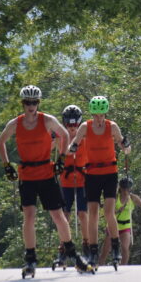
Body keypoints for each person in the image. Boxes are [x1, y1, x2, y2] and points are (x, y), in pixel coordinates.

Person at [0, 85, 87, 275]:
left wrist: (61, 158)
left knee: (58, 215)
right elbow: (0, 142)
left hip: (46, 173)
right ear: (23, 103)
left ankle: (72, 254)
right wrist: (6, 165)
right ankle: (30, 259)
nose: (31, 106)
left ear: (38, 103)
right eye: (28, 102)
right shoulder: (15, 123)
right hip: (27, 175)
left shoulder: (47, 120)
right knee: (29, 216)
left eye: (34, 102)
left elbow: (64, 135)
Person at [67, 95, 130, 268]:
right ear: (92, 114)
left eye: (102, 115)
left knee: (109, 212)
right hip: (92, 174)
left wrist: (126, 146)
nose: (99, 118)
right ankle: (93, 251)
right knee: (93, 213)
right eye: (96, 115)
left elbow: (124, 146)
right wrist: (73, 147)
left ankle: (115, 248)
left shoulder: (112, 126)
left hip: (110, 173)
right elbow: (73, 145)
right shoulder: (85, 127)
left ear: (105, 113)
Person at [56, 104, 91, 257]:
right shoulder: (60, 137)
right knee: (65, 214)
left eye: (75, 124)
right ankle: (63, 245)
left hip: (83, 179)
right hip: (66, 180)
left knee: (83, 213)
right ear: (65, 123)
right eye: (69, 124)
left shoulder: (85, 136)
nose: (72, 127)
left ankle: (87, 243)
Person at [98, 176, 141, 265]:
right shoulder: (115, 197)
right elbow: (108, 212)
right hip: (113, 225)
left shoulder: (133, 198)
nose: (126, 190)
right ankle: (100, 266)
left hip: (125, 226)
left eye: (128, 188)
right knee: (106, 250)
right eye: (124, 188)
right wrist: (118, 210)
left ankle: (123, 267)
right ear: (120, 188)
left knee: (125, 248)